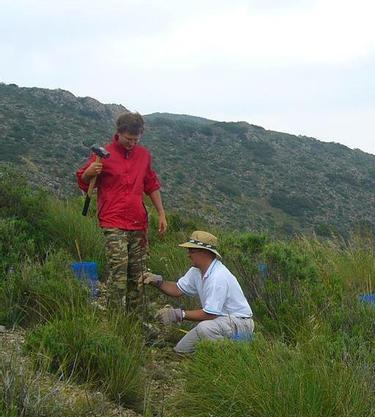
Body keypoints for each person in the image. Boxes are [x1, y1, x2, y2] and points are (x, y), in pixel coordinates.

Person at [76, 112, 167, 313]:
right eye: (128, 139)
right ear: (118, 133)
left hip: (138, 222)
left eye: (136, 139)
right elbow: (84, 180)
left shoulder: (143, 155)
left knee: (139, 274)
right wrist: (91, 171)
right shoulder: (103, 154)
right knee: (118, 273)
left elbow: (151, 184)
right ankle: (117, 323)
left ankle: (138, 322)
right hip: (113, 221)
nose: (132, 143)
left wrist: (161, 213)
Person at [141, 230, 254, 354]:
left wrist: (179, 315)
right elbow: (178, 289)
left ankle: (232, 356)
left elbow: (210, 314)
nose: (188, 254)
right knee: (181, 351)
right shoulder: (196, 271)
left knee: (205, 328)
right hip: (219, 323)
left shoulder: (218, 277)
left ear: (205, 252)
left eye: (191, 251)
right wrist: (158, 282)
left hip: (240, 323)